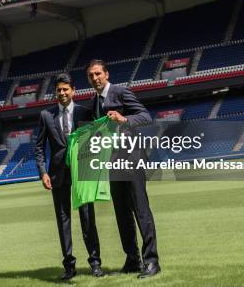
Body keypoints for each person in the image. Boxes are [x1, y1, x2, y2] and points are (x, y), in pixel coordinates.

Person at [87, 59, 161, 279]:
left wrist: (123, 118)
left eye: (98, 73)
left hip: (132, 158)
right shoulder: (94, 102)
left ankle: (152, 262)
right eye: (91, 75)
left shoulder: (121, 92)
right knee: (121, 213)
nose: (95, 78)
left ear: (106, 74)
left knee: (141, 209)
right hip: (112, 162)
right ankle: (132, 259)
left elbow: (146, 117)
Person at [35, 73, 103, 280]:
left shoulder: (85, 112)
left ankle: (95, 263)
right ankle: (69, 266)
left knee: (87, 218)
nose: (62, 93)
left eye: (66, 89)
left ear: (73, 91)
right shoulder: (46, 115)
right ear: (55, 92)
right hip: (57, 175)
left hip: (82, 172)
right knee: (63, 220)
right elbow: (39, 147)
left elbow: (96, 140)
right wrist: (42, 172)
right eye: (59, 90)